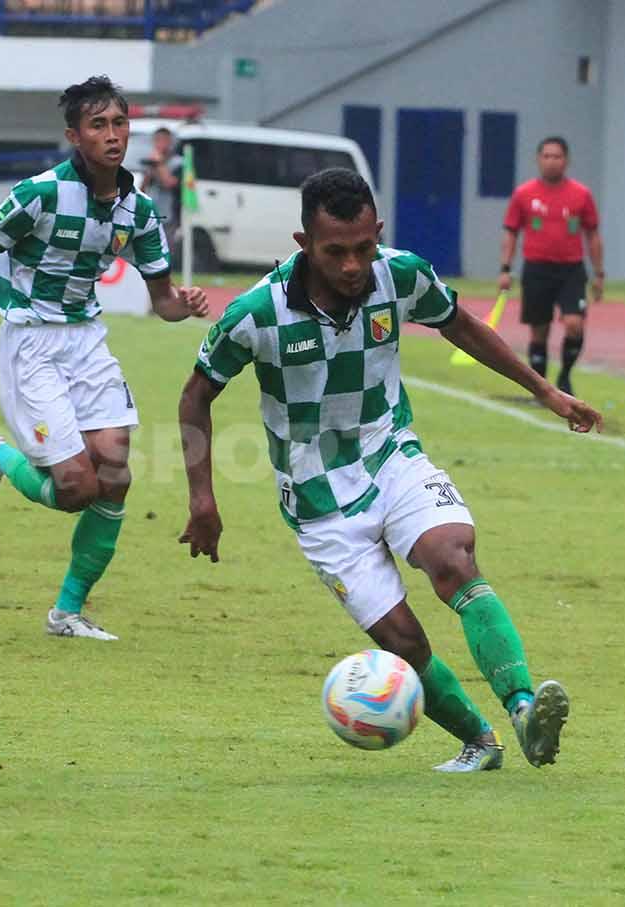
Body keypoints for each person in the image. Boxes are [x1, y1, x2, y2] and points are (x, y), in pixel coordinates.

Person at [178, 169, 602, 772]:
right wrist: (203, 499)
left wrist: (546, 393)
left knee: (454, 558)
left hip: (391, 454)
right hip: (317, 496)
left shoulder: (400, 274)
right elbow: (195, 397)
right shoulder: (257, 314)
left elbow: (464, 326)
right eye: (335, 252)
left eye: (363, 248)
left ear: (378, 233)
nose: (353, 266)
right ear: (304, 244)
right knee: (403, 643)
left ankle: (526, 710)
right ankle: (480, 741)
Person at [0, 75, 208, 642]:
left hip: (86, 339)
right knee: (76, 489)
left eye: (119, 123)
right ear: (74, 136)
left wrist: (185, 303)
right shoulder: (41, 194)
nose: (113, 135)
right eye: (98, 125)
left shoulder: (138, 209)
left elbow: (161, 302)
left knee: (115, 472)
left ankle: (67, 613)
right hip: (31, 342)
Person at [499, 136, 603, 396]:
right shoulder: (524, 194)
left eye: (557, 156)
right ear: (538, 159)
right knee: (539, 330)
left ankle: (565, 376)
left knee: (574, 324)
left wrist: (599, 273)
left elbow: (592, 234)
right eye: (546, 156)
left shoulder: (581, 195)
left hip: (571, 269)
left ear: (566, 160)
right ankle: (541, 387)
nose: (551, 161)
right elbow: (511, 232)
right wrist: (505, 269)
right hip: (536, 269)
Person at [140, 126, 182, 246]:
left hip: (169, 215)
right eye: (157, 140)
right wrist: (150, 169)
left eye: (163, 140)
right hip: (152, 213)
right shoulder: (152, 161)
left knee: (165, 249)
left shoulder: (178, 163)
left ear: (170, 142)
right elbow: (143, 188)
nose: (160, 144)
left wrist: (159, 163)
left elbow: (169, 183)